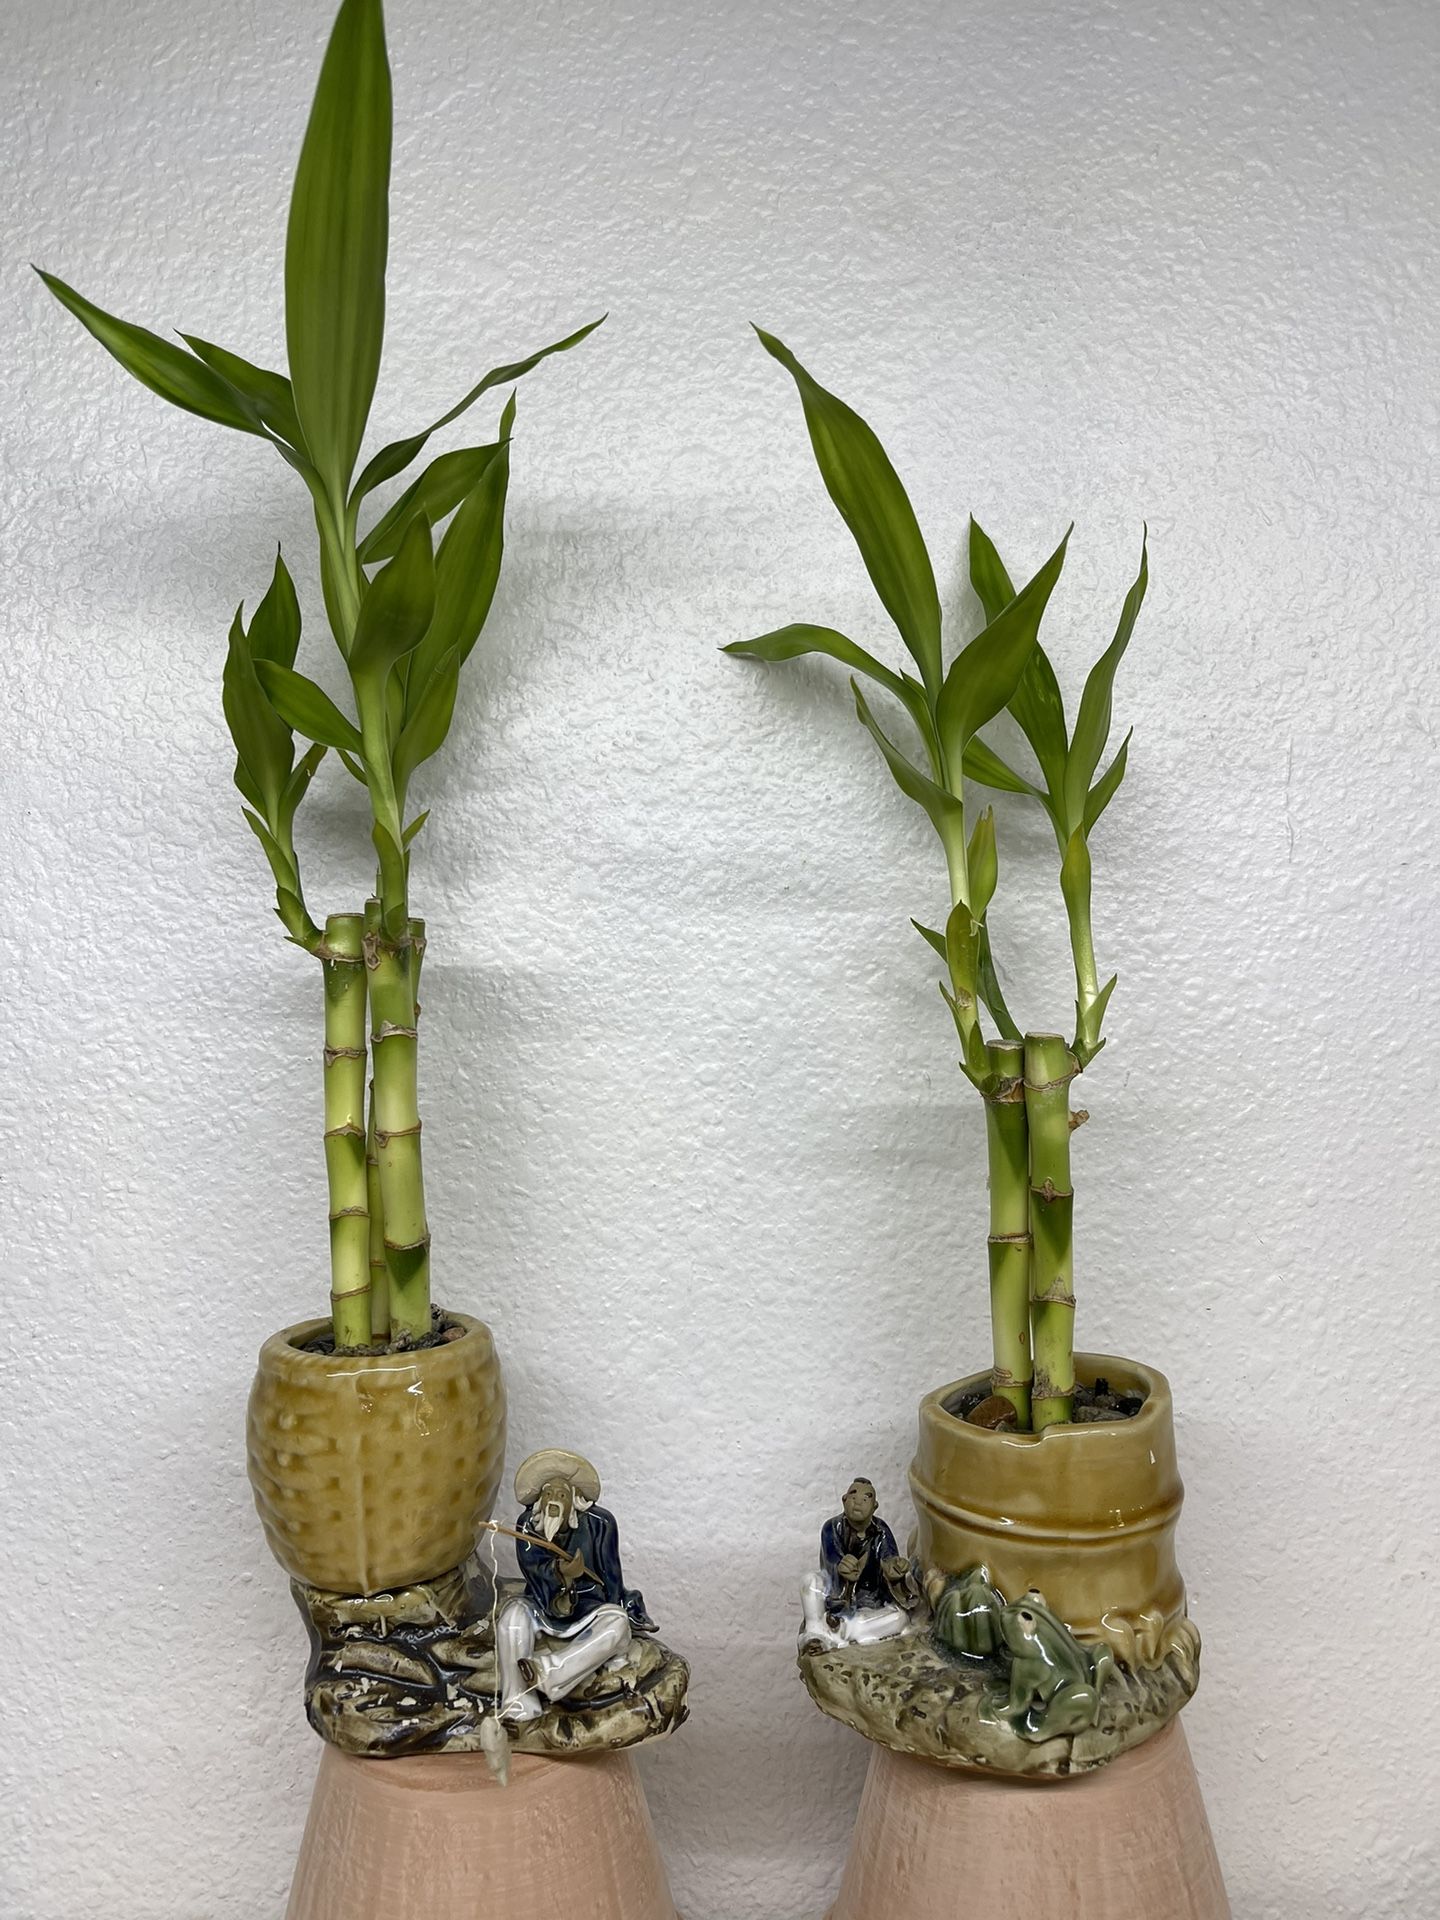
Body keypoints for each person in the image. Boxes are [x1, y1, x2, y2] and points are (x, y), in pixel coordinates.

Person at [496, 1448, 655, 1725]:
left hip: (588, 1607)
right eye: (548, 1495)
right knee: (511, 1619)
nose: (553, 1502)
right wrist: (560, 1572)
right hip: (543, 1604)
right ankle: (518, 1701)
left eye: (561, 1495)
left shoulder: (600, 1524)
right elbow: (532, 1568)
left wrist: (620, 1607)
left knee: (617, 1625)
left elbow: (611, 1575)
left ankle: (548, 1673)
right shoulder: (527, 1526)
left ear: (575, 1502)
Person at [800, 1476, 917, 1650]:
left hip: (871, 1599)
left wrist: (893, 1570)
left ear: (875, 1506)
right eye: (853, 1497)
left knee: (900, 1619)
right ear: (844, 1500)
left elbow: (888, 1557)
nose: (858, 1503)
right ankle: (815, 1632)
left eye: (865, 1499)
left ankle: (842, 1629)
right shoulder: (831, 1527)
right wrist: (842, 1567)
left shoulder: (881, 1531)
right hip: (837, 1592)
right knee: (810, 1582)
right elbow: (832, 1558)